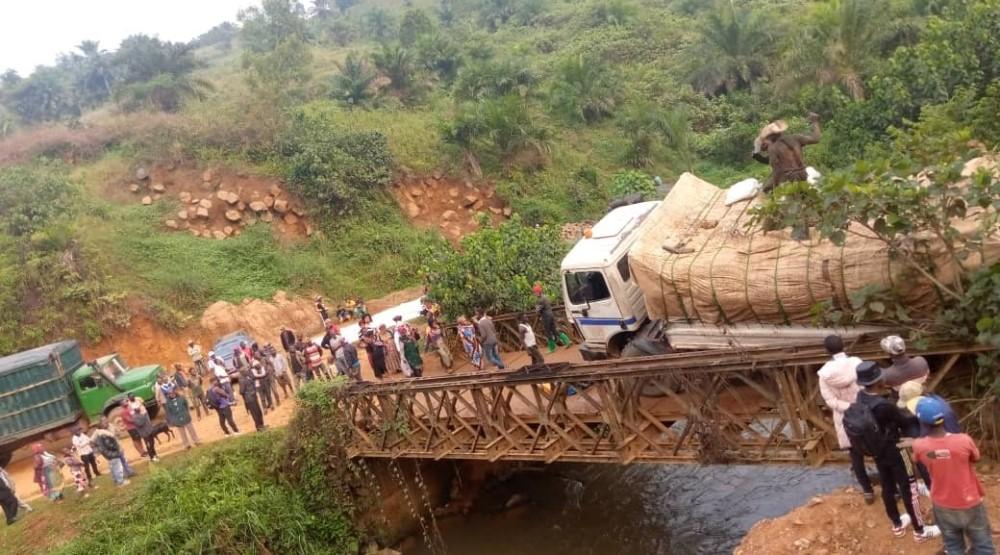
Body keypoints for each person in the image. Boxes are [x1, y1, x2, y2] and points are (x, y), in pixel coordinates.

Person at [848, 361, 939, 542]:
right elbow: (903, 422)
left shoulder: (860, 397)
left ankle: (897, 524)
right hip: (896, 450)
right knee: (909, 488)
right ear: (879, 381)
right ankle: (920, 530)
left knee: (887, 486)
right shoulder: (883, 405)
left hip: (877, 451)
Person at [912, 397, 996, 555]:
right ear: (943, 417)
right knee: (983, 545)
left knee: (953, 546)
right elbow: (975, 458)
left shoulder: (919, 445)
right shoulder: (964, 440)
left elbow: (916, 460)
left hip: (942, 504)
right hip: (970, 502)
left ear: (922, 423)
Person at [816, 335, 872, 503]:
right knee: (878, 450)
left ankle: (868, 491)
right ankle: (893, 489)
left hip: (845, 417)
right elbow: (867, 386)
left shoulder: (824, 374)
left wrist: (848, 407)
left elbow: (830, 401)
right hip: (865, 411)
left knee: (855, 455)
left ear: (826, 350)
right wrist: (860, 405)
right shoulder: (857, 363)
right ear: (843, 346)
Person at [752, 112, 821, 192]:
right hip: (803, 175)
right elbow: (816, 139)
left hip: (789, 179)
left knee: (766, 189)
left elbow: (776, 170)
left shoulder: (773, 148)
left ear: (770, 136)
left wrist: (775, 185)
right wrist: (815, 122)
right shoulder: (795, 138)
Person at [534, 284, 570, 352]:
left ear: (538, 292)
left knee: (548, 332)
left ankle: (552, 348)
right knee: (554, 330)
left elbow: (538, 310)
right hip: (551, 315)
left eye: (535, 292)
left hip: (545, 317)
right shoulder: (546, 297)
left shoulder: (540, 300)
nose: (535, 294)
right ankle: (567, 341)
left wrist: (537, 311)